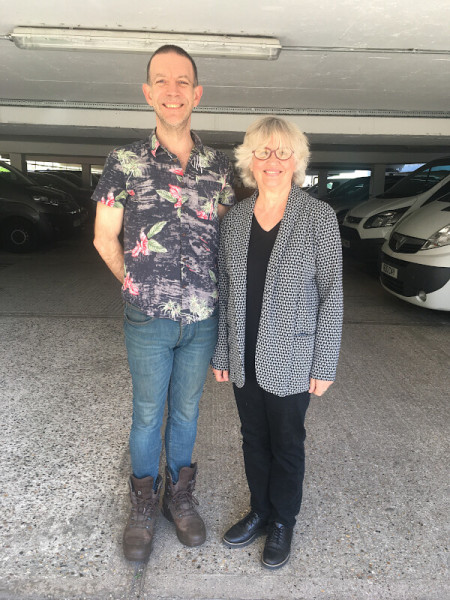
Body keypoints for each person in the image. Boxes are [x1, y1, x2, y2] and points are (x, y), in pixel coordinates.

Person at [93, 45, 235, 562]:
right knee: (148, 412)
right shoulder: (123, 162)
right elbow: (104, 237)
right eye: (162, 81)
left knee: (188, 411)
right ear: (148, 93)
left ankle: (180, 496)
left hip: (201, 317)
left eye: (183, 82)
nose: (172, 91)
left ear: (196, 94)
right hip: (147, 317)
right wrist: (133, 284)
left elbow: (225, 237)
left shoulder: (218, 166)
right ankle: (143, 502)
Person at [211, 116, 343, 570]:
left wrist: (324, 365)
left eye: (283, 152)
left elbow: (332, 295)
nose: (273, 161)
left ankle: (283, 519)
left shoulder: (318, 218)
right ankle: (260, 511)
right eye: (264, 152)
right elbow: (226, 292)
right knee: (252, 439)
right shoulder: (235, 222)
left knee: (287, 443)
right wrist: (223, 351)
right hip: (244, 358)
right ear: (250, 160)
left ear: (297, 161)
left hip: (292, 358)